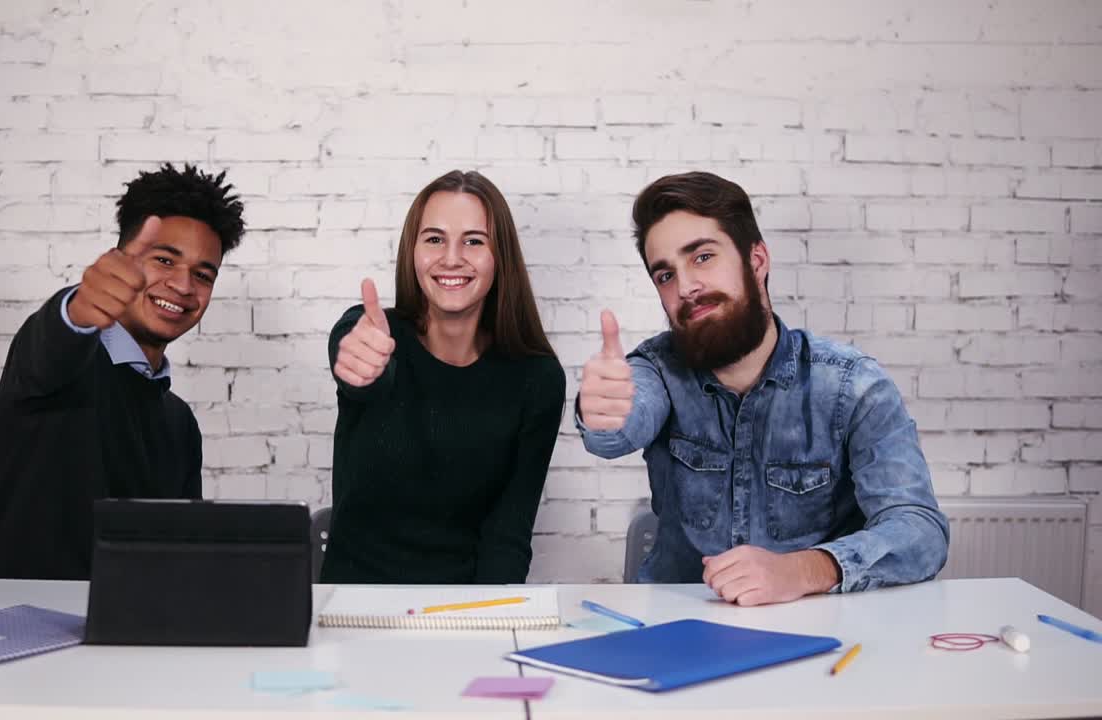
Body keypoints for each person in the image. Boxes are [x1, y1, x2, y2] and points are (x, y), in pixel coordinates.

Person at [577, 171, 948, 605]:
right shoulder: (656, 369)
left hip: (814, 627)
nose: (686, 287)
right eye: (665, 275)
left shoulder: (853, 386)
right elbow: (617, 430)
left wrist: (804, 569)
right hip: (676, 624)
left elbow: (920, 532)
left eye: (702, 257)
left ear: (756, 260)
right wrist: (601, 411)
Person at [0, 163, 245, 586]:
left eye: (203, 275)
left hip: (130, 621)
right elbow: (55, 340)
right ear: (122, 261)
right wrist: (79, 308)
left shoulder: (179, 423)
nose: (184, 285)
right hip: (22, 619)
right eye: (164, 260)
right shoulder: (62, 364)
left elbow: (177, 555)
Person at [321, 170, 566, 584]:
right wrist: (359, 363)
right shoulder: (371, 334)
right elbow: (360, 367)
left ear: (500, 256)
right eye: (434, 239)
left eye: (474, 241)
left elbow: (508, 534)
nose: (451, 258)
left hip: (462, 606)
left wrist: (485, 616)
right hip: (352, 601)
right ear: (412, 251)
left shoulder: (537, 378)